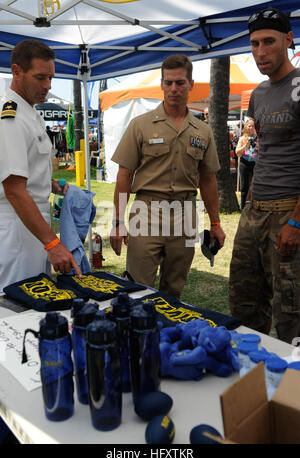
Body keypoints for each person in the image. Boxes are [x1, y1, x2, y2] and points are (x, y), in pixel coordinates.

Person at [110, 54, 225, 299]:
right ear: (161, 84)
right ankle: (137, 335)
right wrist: (118, 221)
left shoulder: (202, 130)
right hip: (147, 211)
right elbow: (124, 176)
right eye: (168, 82)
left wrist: (215, 223)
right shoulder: (140, 125)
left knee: (174, 288)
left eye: (180, 82)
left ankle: (165, 335)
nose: (173, 89)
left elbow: (208, 180)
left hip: (185, 213)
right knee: (138, 288)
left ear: (191, 84)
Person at [229, 7, 300, 343]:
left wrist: (296, 221)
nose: (260, 51)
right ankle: (251, 382)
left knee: (291, 314)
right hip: (254, 210)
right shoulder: (257, 94)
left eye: (269, 41)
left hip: (289, 212)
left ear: (288, 39)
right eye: (254, 43)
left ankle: (293, 392)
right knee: (243, 304)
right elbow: (263, 150)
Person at [0, 39, 82, 292]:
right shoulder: (10, 116)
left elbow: (24, 172)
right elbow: (13, 188)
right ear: (16, 71)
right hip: (17, 228)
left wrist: (50, 184)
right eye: (40, 78)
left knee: (35, 298)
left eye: (51, 78)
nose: (47, 85)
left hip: (32, 224)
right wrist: (52, 244)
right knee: (16, 304)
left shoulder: (30, 112)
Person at [235, 119, 259, 209]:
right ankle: (243, 206)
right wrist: (246, 146)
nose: (251, 128)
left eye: (253, 126)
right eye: (249, 126)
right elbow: (237, 152)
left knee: (256, 185)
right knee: (244, 186)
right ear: (246, 127)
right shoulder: (242, 138)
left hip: (256, 163)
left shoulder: (259, 138)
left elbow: (264, 152)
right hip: (244, 162)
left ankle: (255, 205)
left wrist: (257, 146)